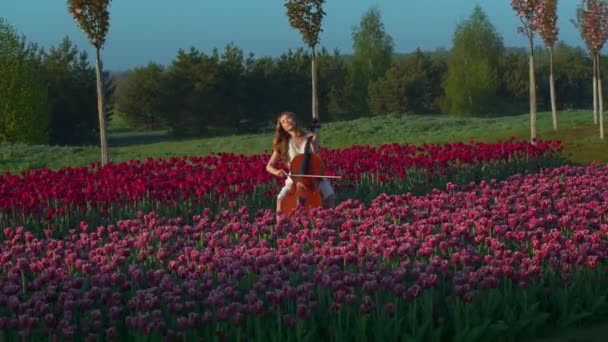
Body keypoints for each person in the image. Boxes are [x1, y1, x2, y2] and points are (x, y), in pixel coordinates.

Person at [265, 111, 336, 220]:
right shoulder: (282, 143)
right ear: (282, 127)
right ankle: (279, 228)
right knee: (280, 199)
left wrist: (313, 143)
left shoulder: (309, 137)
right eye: (283, 122)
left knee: (330, 195)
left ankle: (333, 221)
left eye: (288, 119)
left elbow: (317, 157)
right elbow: (269, 166)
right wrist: (277, 171)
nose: (286, 122)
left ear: (295, 119)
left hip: (313, 175)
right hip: (294, 178)